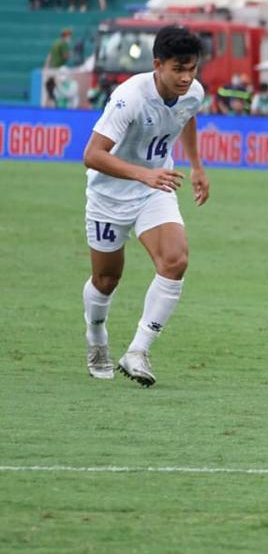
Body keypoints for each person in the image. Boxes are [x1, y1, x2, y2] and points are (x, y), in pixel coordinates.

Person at [79, 25, 209, 386]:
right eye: (178, 70)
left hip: (155, 188)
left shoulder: (193, 92)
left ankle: (138, 350)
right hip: (110, 194)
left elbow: (187, 116)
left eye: (192, 68)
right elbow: (91, 155)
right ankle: (96, 337)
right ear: (157, 65)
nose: (186, 78)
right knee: (106, 279)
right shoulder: (130, 97)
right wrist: (142, 174)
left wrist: (196, 167)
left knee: (175, 260)